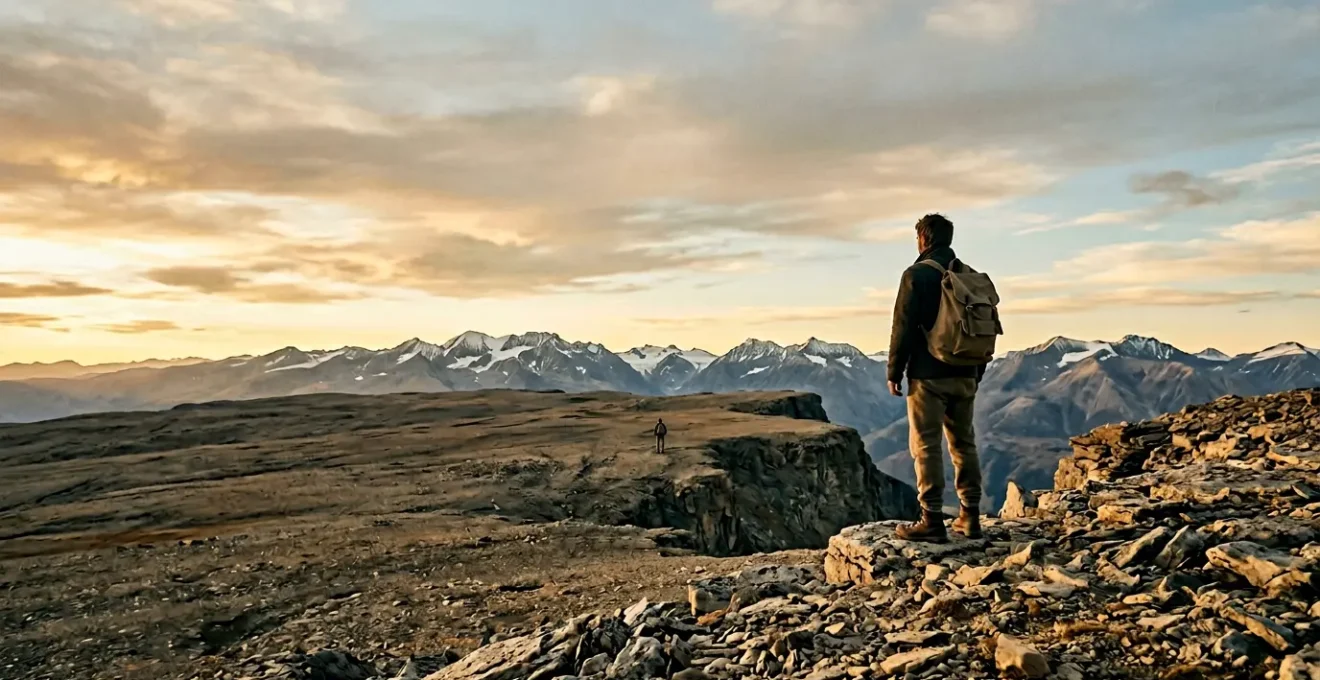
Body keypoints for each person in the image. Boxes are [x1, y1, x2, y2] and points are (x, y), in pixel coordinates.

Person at [887, 214, 987, 543]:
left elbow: (902, 326)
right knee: (963, 444)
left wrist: (894, 371)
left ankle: (931, 520)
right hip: (966, 373)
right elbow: (981, 330)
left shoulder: (916, 275)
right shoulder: (970, 277)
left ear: (923, 240)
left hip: (927, 376)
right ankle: (969, 517)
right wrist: (975, 371)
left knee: (926, 446)